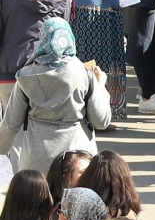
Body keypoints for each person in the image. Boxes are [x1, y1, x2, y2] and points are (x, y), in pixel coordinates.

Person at [0, 19, 109, 178]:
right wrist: (101, 85)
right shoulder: (85, 75)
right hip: (78, 160)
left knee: (38, 201)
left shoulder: (25, 76)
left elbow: (10, 124)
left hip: (36, 160)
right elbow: (101, 120)